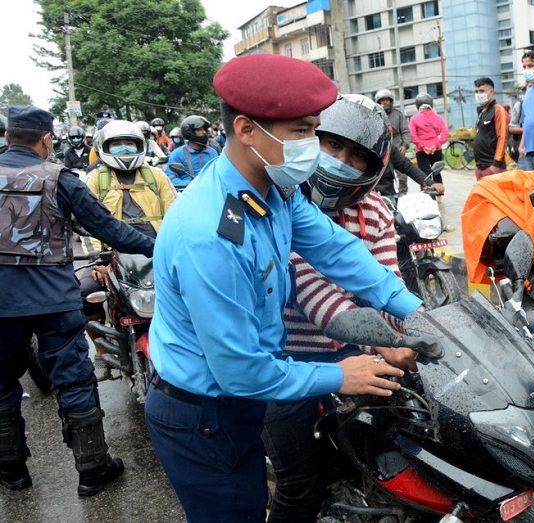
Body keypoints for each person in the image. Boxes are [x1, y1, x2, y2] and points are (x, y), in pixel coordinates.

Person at [143, 54, 423, 522]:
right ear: (247, 130)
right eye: (301, 132)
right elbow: (241, 371)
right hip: (206, 413)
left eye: (314, 129)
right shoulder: (210, 235)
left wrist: (413, 312)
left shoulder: (272, 190)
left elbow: (337, 250)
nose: (313, 147)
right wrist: (340, 375)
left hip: (240, 399)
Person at [262, 93, 420, 522]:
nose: (341, 161)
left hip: (355, 349)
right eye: (332, 145)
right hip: (284, 360)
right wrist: (386, 342)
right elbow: (309, 289)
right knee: (300, 490)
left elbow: (386, 283)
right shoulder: (279, 200)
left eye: (356, 156)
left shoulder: (376, 212)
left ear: (373, 170)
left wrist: (423, 330)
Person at [0, 105, 155, 496]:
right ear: (47, 139)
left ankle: (12, 472)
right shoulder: (59, 178)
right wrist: (160, 246)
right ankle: (93, 470)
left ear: (7, 137)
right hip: (53, 300)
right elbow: (109, 229)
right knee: (74, 380)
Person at [82, 120, 176, 381]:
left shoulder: (156, 176)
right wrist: (96, 261)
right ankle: (101, 350)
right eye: (116, 144)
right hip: (111, 255)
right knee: (85, 292)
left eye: (129, 144)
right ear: (104, 147)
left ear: (141, 146)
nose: (124, 149)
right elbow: (86, 221)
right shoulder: (95, 179)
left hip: (156, 252)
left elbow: (175, 214)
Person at [375, 88, 412, 192]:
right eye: (382, 100)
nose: (385, 102)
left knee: (403, 177)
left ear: (391, 101)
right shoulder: (376, 115)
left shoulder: (398, 115)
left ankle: (403, 195)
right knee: (384, 177)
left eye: (387, 100)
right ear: (378, 102)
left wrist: (404, 145)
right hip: (382, 152)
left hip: (398, 150)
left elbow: (405, 132)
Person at [164, 114, 219, 185]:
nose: (204, 132)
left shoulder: (212, 152)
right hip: (187, 192)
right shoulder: (177, 153)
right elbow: (170, 177)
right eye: (199, 129)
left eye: (204, 129)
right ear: (189, 132)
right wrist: (189, 184)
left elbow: (219, 175)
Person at [472, 77, 509, 179]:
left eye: (482, 91)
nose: (479, 94)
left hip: (493, 167)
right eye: (476, 91)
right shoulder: (481, 112)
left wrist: (496, 164)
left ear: (491, 92)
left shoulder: (498, 110)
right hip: (480, 166)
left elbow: (502, 137)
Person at [409, 93, 449, 184]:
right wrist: (436, 145)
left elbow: (412, 135)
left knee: (424, 174)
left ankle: (427, 194)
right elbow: (445, 133)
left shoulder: (414, 119)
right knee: (437, 173)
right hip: (436, 149)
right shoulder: (438, 118)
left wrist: (422, 146)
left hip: (421, 150)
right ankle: (439, 196)